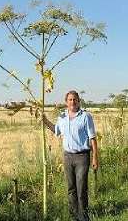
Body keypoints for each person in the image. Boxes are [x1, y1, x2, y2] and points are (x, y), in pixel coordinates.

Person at [43, 90, 98, 221]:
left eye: (75, 99)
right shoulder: (62, 117)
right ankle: (74, 215)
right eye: (70, 100)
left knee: (81, 188)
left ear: (79, 101)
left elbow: (93, 138)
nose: (72, 102)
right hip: (67, 157)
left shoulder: (85, 116)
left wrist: (95, 157)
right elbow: (56, 130)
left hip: (82, 157)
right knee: (71, 188)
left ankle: (83, 216)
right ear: (66, 102)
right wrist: (44, 121)